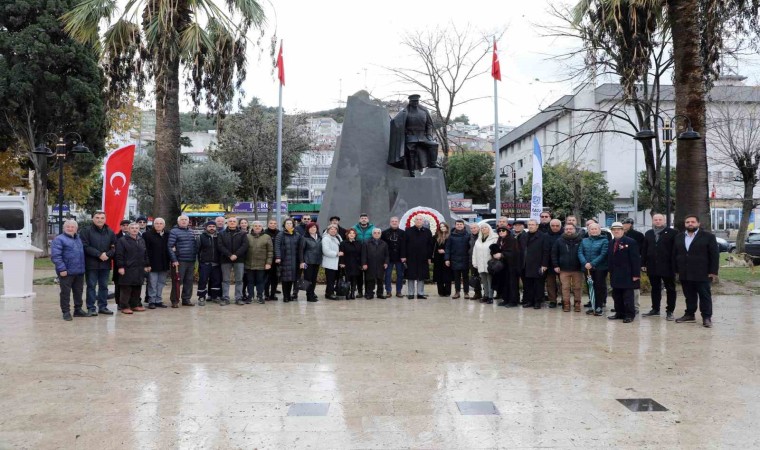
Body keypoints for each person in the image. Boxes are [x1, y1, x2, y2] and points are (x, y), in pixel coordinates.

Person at [673, 215, 719, 328]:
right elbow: (675, 254)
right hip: (685, 272)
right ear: (685, 224)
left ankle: (706, 317)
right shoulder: (679, 237)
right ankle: (689, 314)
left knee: (704, 296)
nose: (690, 224)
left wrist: (713, 271)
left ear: (698, 224)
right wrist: (676, 270)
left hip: (702, 272)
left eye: (693, 222)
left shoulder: (708, 236)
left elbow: (714, 255)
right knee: (689, 295)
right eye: (687, 222)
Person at [388, 94, 441, 177]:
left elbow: (429, 125)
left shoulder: (424, 111)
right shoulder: (405, 112)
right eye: (413, 101)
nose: (415, 103)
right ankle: (411, 171)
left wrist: (429, 136)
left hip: (423, 136)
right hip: (410, 137)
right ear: (410, 102)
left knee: (434, 145)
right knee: (411, 151)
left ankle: (433, 164)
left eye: (416, 101)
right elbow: (396, 122)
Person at [641, 213, 678, 320]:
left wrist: (675, 265)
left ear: (664, 220)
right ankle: (655, 309)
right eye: (655, 219)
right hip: (652, 266)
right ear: (652, 221)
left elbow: (676, 250)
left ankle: (670, 311)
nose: (657, 221)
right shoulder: (648, 233)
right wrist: (643, 263)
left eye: (660, 219)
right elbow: (644, 249)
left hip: (668, 266)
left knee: (670, 288)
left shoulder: (673, 233)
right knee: (655, 288)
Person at [80, 211, 116, 316]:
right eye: (97, 217)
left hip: (105, 264)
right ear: (93, 219)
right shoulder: (86, 231)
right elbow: (85, 246)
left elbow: (114, 246)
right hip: (91, 264)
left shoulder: (110, 232)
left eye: (102, 218)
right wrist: (99, 254)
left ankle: (103, 307)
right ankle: (91, 308)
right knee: (91, 286)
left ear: (105, 219)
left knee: (104, 286)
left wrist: (107, 255)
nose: (99, 220)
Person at [51, 219, 87, 321]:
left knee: (78, 292)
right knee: (65, 293)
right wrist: (61, 268)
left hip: (79, 271)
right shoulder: (59, 239)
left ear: (76, 229)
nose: (70, 229)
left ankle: (78, 309)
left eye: (73, 227)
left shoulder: (78, 239)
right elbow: (56, 256)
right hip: (66, 272)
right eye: (68, 227)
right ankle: (66, 312)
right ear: (64, 228)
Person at [607, 222, 641, 323]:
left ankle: (630, 315)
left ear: (623, 230)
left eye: (619, 229)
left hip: (628, 274)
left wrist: (636, 274)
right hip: (615, 274)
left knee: (628, 296)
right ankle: (619, 313)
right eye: (614, 230)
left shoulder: (630, 242)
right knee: (617, 295)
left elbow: (635, 259)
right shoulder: (611, 242)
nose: (616, 231)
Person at [115, 222, 151, 314]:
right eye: (132, 228)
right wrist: (121, 267)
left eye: (136, 228)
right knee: (126, 288)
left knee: (137, 287)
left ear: (139, 229)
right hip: (127, 268)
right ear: (129, 229)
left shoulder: (141, 240)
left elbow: (145, 253)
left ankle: (135, 305)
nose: (134, 230)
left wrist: (147, 265)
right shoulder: (122, 240)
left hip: (139, 268)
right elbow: (119, 255)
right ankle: (124, 306)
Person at [578, 222, 609, 316]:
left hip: (600, 268)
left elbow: (603, 254)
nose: (594, 231)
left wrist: (592, 263)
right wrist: (585, 263)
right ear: (589, 231)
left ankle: (599, 306)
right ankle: (592, 305)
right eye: (592, 229)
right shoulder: (584, 240)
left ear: (599, 230)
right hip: (587, 268)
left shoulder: (605, 241)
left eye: (596, 229)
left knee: (599, 287)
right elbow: (580, 252)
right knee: (590, 287)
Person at [552, 223, 584, 312]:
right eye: (567, 229)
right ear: (564, 230)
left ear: (575, 229)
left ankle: (577, 304)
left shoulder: (580, 240)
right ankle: (566, 304)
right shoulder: (559, 240)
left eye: (570, 229)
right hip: (563, 269)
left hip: (577, 269)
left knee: (577, 287)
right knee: (565, 288)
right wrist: (556, 265)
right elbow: (554, 254)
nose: (568, 230)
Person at [168, 215, 197, 307]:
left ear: (188, 222)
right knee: (177, 281)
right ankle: (175, 300)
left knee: (189, 281)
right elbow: (169, 246)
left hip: (191, 260)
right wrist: (174, 259)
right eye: (182, 220)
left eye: (185, 220)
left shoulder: (191, 231)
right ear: (178, 221)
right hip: (179, 261)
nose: (184, 221)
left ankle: (186, 299)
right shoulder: (174, 231)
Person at [218, 217, 249, 305]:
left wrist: (236, 255)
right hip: (225, 259)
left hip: (239, 259)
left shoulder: (242, 233)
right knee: (225, 280)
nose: (232, 223)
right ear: (227, 223)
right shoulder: (222, 234)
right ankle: (225, 298)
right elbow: (220, 246)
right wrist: (229, 255)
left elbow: (245, 245)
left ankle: (238, 298)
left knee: (239, 280)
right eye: (230, 221)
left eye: (234, 221)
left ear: (237, 223)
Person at [404, 216, 434, 299]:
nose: (418, 221)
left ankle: (420, 293)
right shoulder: (408, 231)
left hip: (423, 257)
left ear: (423, 222)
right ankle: (410, 293)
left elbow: (430, 245)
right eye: (417, 219)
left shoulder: (427, 231)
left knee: (421, 275)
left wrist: (429, 257)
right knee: (411, 275)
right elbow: (404, 244)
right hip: (410, 257)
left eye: (420, 219)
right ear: (414, 221)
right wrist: (404, 256)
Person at [522, 219, 550, 309]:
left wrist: (544, 264)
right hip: (527, 264)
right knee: (528, 284)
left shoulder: (543, 236)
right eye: (529, 224)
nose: (530, 226)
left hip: (538, 264)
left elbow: (546, 251)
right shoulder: (524, 236)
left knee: (538, 284)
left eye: (532, 224)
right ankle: (529, 301)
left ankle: (538, 302)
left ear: (537, 226)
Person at [143, 217, 170, 309]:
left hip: (164, 263)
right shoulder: (147, 235)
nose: (159, 225)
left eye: (161, 223)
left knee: (161, 283)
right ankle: (151, 301)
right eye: (157, 223)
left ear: (164, 225)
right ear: (153, 225)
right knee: (152, 283)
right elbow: (144, 250)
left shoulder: (167, 234)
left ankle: (158, 300)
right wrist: (147, 264)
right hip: (152, 264)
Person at [245, 221, 273, 304]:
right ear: (252, 227)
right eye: (255, 226)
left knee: (260, 281)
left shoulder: (267, 237)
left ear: (262, 227)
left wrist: (268, 263)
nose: (257, 227)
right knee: (250, 281)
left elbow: (270, 251)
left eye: (259, 226)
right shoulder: (247, 236)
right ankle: (250, 296)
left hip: (262, 264)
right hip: (249, 263)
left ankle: (260, 296)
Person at [274, 218, 302, 303]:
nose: (289, 225)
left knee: (292, 279)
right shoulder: (280, 234)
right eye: (287, 224)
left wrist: (301, 260)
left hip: (295, 261)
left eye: (290, 223)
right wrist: (278, 257)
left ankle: (290, 295)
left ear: (293, 225)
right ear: (284, 225)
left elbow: (300, 248)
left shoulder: (297, 235)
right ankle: (285, 296)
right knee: (285, 279)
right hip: (284, 260)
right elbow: (277, 246)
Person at [471, 222, 498, 304]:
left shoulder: (494, 238)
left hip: (489, 264)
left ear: (489, 228)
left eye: (485, 227)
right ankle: (485, 296)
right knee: (484, 281)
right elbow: (474, 252)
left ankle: (490, 296)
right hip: (480, 264)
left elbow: (496, 252)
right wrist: (474, 262)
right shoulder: (478, 240)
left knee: (490, 280)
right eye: (482, 228)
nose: (483, 229)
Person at [196, 221, 222, 305]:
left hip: (216, 263)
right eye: (210, 226)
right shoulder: (201, 237)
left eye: (213, 226)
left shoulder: (219, 237)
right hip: (205, 263)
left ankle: (215, 296)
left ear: (216, 228)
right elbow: (197, 250)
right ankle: (201, 297)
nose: (211, 228)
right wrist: (199, 262)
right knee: (203, 280)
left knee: (216, 280)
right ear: (206, 227)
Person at [382, 217, 407, 298]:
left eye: (396, 221)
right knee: (387, 275)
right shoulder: (384, 233)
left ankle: (399, 291)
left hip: (400, 258)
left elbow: (404, 246)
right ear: (390, 222)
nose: (394, 222)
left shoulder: (403, 233)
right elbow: (383, 246)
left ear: (398, 222)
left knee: (400, 275)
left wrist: (404, 256)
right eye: (392, 221)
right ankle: (388, 291)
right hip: (388, 258)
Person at [446, 220, 471, 299]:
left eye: (461, 224)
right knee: (456, 277)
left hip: (465, 259)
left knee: (465, 277)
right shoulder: (451, 236)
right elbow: (447, 248)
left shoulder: (468, 235)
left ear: (464, 225)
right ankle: (457, 292)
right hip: (454, 259)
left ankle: (466, 292)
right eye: (458, 224)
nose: (459, 225)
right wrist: (447, 259)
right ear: (455, 225)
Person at [361, 228, 389, 299]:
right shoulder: (366, 243)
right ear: (372, 234)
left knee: (380, 279)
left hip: (381, 264)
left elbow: (387, 255)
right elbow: (363, 254)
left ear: (380, 234)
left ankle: (380, 294)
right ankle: (370, 294)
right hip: (370, 264)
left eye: (378, 233)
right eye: (375, 233)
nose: (376, 234)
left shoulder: (384, 243)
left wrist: (386, 262)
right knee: (370, 279)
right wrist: (364, 263)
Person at [492, 226, 517, 307]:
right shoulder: (500, 240)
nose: (501, 232)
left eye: (503, 230)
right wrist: (494, 253)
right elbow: (497, 250)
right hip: (502, 266)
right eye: (499, 231)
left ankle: (513, 301)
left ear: (507, 231)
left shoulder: (512, 240)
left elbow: (514, 252)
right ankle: (505, 299)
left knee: (511, 284)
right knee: (503, 283)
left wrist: (502, 254)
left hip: (511, 265)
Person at [299, 222, 322, 302]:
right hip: (307, 262)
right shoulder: (304, 238)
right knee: (308, 279)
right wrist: (302, 262)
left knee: (314, 279)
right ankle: (309, 296)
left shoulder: (319, 237)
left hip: (317, 261)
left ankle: (312, 293)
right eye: (311, 228)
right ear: (308, 229)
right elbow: (301, 250)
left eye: (314, 227)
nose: (313, 229)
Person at [352, 213, 374, 296]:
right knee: (359, 275)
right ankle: (360, 292)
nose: (364, 219)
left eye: (365, 218)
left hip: (369, 254)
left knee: (368, 274)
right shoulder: (354, 228)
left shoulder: (373, 228)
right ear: (359, 219)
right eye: (362, 218)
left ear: (368, 219)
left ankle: (368, 291)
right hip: (357, 254)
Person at [544, 219, 563, 308]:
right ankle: (552, 300)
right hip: (549, 263)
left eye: (557, 226)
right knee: (550, 283)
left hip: (562, 263)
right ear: (550, 226)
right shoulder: (546, 236)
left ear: (560, 226)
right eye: (553, 226)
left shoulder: (564, 235)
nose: (555, 227)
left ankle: (564, 299)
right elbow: (544, 251)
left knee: (564, 283)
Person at [339, 228, 363, 299]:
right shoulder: (343, 243)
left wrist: (361, 264)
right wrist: (342, 263)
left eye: (353, 233)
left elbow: (361, 254)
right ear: (347, 234)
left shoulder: (359, 243)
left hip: (356, 264)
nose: (352, 234)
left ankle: (353, 293)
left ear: (355, 235)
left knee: (354, 279)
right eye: (350, 233)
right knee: (347, 279)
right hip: (347, 263)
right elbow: (341, 254)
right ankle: (347, 293)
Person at [112, 219, 130, 309]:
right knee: (119, 284)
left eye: (127, 225)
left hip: (131, 265)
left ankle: (129, 302)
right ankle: (119, 302)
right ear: (121, 226)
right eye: (124, 225)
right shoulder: (115, 237)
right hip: (119, 264)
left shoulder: (134, 236)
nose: (126, 227)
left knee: (129, 284)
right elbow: (113, 251)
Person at [322, 224, 343, 300]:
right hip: (330, 262)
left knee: (334, 278)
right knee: (330, 279)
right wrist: (336, 254)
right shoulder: (326, 238)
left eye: (335, 229)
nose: (333, 230)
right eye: (331, 229)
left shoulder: (337, 237)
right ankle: (330, 294)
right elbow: (326, 251)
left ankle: (328, 292)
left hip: (337, 262)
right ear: (328, 230)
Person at [432, 222, 452, 297]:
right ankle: (440, 292)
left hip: (447, 258)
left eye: (444, 226)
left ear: (447, 227)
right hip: (438, 258)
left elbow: (452, 248)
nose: (442, 228)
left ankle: (447, 292)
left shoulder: (450, 236)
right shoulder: (436, 236)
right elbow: (432, 247)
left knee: (447, 275)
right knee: (439, 275)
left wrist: (445, 251)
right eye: (441, 227)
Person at [264, 219, 280, 301]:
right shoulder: (264, 233)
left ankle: (273, 294)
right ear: (268, 224)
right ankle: (266, 294)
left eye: (274, 223)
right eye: (271, 223)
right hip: (266, 259)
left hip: (277, 259)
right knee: (267, 278)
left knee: (275, 278)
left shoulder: (279, 233)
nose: (273, 224)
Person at [512, 220, 527, 305]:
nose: (517, 227)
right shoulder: (512, 235)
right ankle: (515, 299)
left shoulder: (525, 235)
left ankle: (525, 299)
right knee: (514, 283)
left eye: (519, 225)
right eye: (515, 225)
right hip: (513, 263)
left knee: (525, 284)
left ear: (523, 226)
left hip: (523, 263)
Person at [467, 222, 482, 300]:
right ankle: (477, 293)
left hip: (482, 260)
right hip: (472, 260)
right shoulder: (470, 237)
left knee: (484, 277)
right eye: (471, 228)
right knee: (475, 277)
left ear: (478, 228)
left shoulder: (482, 236)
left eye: (475, 228)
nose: (473, 230)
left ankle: (488, 294)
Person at [238, 218, 251, 301]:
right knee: (242, 277)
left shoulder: (251, 233)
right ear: (239, 224)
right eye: (242, 223)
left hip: (250, 257)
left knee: (247, 277)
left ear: (247, 224)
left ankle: (248, 293)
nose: (243, 224)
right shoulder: (237, 233)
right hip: (240, 257)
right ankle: (242, 293)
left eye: (245, 223)